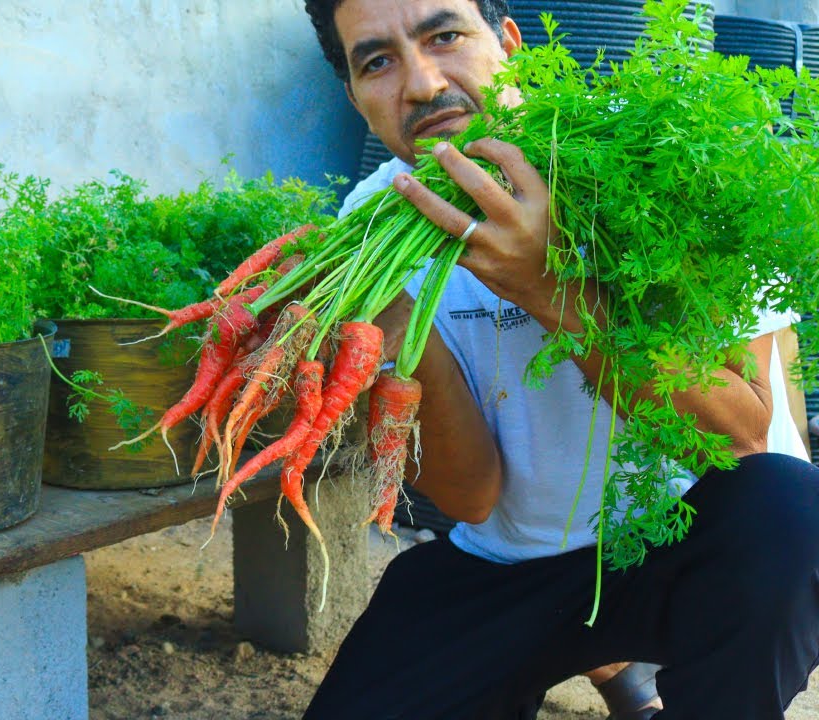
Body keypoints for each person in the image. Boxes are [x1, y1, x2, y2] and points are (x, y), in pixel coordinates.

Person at [299, 0, 819, 718]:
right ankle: (611, 665)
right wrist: (396, 329)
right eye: (377, 61)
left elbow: (741, 435)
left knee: (790, 509)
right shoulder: (373, 225)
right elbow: (469, 498)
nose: (421, 84)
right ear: (355, 98)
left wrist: (549, 290)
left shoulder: (654, 154)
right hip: (514, 561)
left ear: (510, 44)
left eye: (445, 36)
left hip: (695, 541)